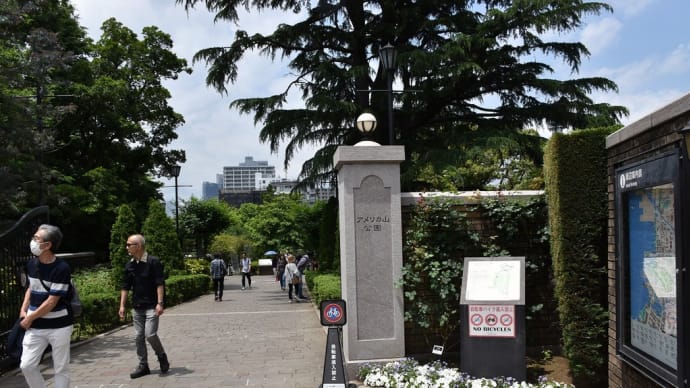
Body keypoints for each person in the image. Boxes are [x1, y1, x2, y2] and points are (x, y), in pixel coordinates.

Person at [19, 224, 74, 388]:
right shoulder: (31, 264)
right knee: (27, 365)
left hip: (60, 325)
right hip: (36, 325)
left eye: (37, 239)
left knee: (61, 368)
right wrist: (23, 309)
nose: (33, 241)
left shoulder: (61, 268)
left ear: (48, 245)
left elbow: (52, 301)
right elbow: (31, 287)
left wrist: (30, 317)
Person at [119, 234, 170, 379]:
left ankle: (161, 356)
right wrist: (122, 306)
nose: (127, 247)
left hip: (152, 306)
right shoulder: (129, 265)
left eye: (129, 244)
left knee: (150, 334)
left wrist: (160, 303)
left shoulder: (153, 262)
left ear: (139, 246)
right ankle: (143, 365)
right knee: (138, 336)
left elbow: (160, 283)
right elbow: (125, 287)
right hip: (137, 306)